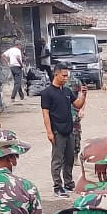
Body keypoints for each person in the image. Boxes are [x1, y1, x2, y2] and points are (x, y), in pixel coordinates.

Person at [41, 65, 85, 197]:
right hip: (57, 131)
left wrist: (83, 95)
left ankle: (69, 183)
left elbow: (77, 104)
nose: (66, 78)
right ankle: (57, 187)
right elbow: (46, 114)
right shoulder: (47, 93)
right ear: (56, 75)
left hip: (69, 130)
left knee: (69, 158)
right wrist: (49, 132)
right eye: (63, 75)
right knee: (57, 160)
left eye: (67, 75)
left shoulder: (66, 91)